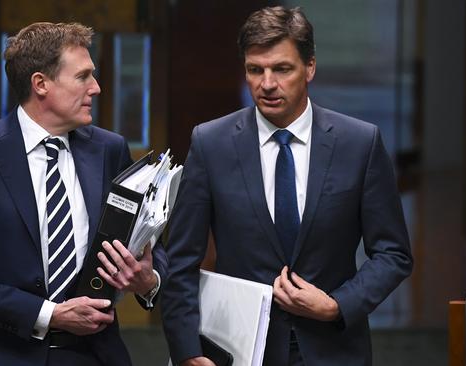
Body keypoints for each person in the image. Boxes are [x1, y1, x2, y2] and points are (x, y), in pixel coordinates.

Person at [161, 6, 413, 366]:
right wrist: (187, 352)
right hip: (240, 350)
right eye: (254, 70)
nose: (267, 84)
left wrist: (337, 305)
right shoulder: (211, 143)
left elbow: (393, 253)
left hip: (334, 349)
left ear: (309, 67)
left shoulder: (359, 143)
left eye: (281, 69)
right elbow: (181, 260)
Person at [0, 22, 167, 366]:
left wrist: (148, 280)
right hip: (10, 354)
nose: (97, 88)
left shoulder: (109, 149)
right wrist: (50, 314)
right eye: (83, 77)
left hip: (97, 354)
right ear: (41, 83)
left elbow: (152, 246)